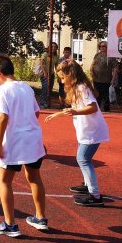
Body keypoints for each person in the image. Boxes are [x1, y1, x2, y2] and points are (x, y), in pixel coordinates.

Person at [0, 55, 48, 237]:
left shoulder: (1, 91)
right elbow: (36, 113)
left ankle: (10, 225)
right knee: (35, 178)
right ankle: (41, 218)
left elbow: (3, 117)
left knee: (4, 180)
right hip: (33, 138)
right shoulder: (26, 87)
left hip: (14, 141)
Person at [46, 59, 109, 206]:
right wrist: (58, 114)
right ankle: (88, 186)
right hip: (86, 131)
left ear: (71, 75)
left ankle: (95, 195)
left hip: (92, 132)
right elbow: (75, 109)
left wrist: (74, 111)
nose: (61, 81)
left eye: (62, 77)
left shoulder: (82, 88)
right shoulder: (77, 88)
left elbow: (92, 107)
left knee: (83, 159)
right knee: (83, 159)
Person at [90, 41, 118, 112]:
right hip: (96, 78)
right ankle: (97, 109)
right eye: (100, 46)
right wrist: (91, 73)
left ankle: (106, 109)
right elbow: (93, 64)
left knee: (105, 95)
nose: (101, 48)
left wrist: (113, 79)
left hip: (106, 79)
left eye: (103, 46)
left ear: (107, 47)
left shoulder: (111, 56)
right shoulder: (97, 55)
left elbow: (115, 68)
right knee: (97, 94)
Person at [39, 42, 59, 109]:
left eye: (55, 47)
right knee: (45, 88)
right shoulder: (45, 54)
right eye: (52, 46)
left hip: (52, 74)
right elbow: (41, 63)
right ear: (49, 47)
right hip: (45, 74)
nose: (53, 48)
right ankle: (42, 103)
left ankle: (47, 103)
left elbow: (56, 66)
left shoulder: (56, 56)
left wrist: (58, 74)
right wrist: (45, 73)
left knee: (50, 89)